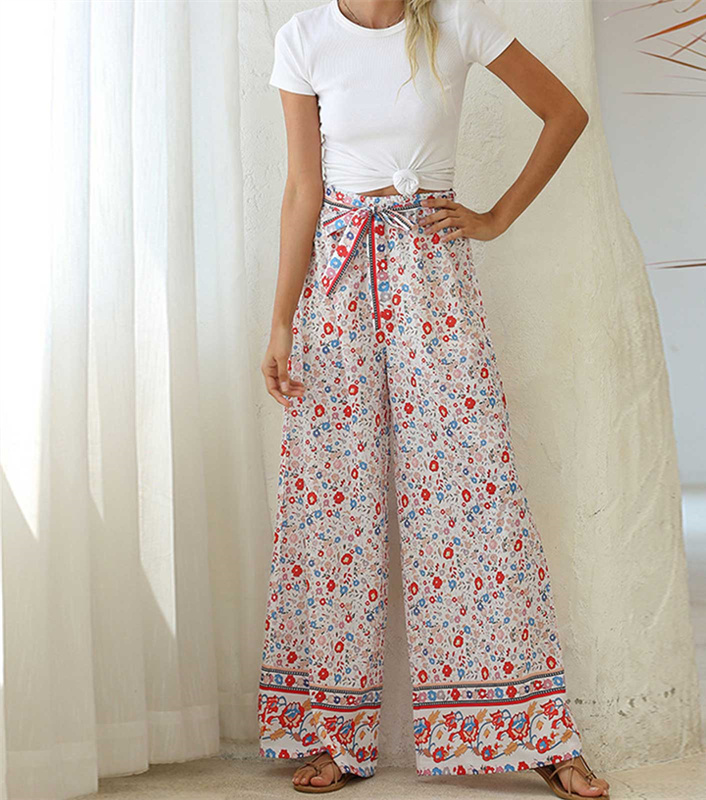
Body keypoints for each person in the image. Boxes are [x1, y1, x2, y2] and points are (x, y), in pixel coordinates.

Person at [257, 1, 609, 796]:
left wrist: (496, 217)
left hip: (432, 272)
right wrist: (281, 323)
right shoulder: (303, 38)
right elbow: (303, 188)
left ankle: (536, 735)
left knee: (472, 499)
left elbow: (565, 113)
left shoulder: (457, 22)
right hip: (337, 285)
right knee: (335, 504)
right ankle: (334, 734)